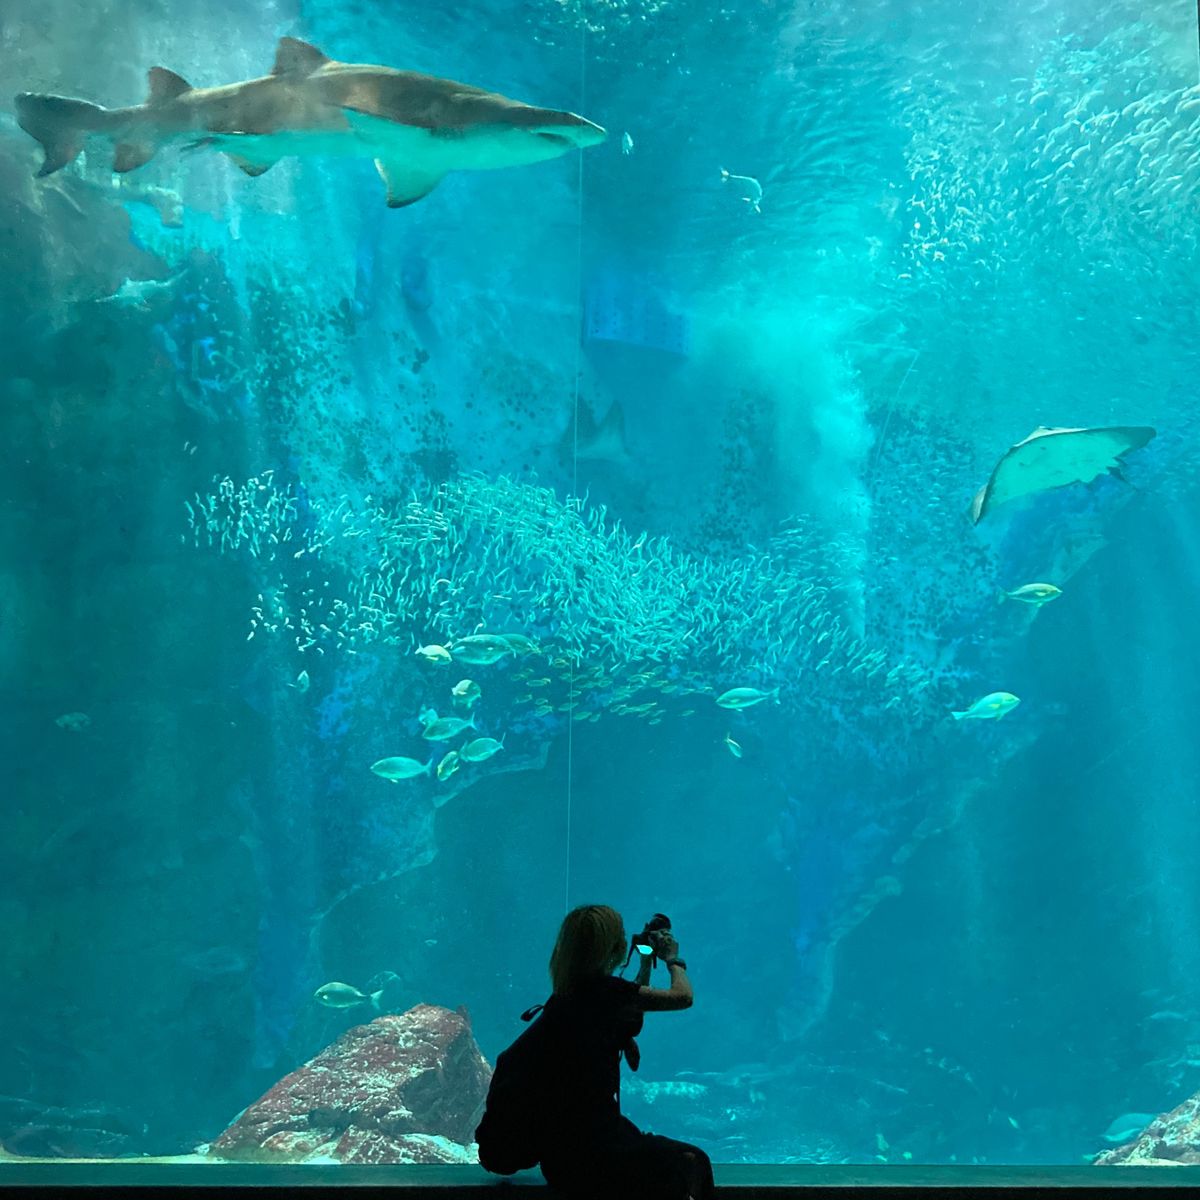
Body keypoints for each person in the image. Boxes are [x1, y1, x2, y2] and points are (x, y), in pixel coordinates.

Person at [535, 904, 714, 1200]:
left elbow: (629, 1009)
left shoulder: (567, 994)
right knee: (693, 1161)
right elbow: (683, 997)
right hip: (597, 1147)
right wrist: (672, 959)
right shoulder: (606, 992)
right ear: (611, 947)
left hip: (561, 1152)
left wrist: (645, 963)